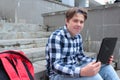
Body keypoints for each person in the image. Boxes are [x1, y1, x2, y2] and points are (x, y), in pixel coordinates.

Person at [45, 7, 120, 80]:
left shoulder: (78, 37)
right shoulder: (57, 37)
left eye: (81, 22)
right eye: (75, 21)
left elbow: (80, 57)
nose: (79, 24)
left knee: (106, 67)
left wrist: (99, 62)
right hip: (58, 75)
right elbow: (55, 66)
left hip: (75, 67)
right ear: (67, 21)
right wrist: (81, 71)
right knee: (94, 77)